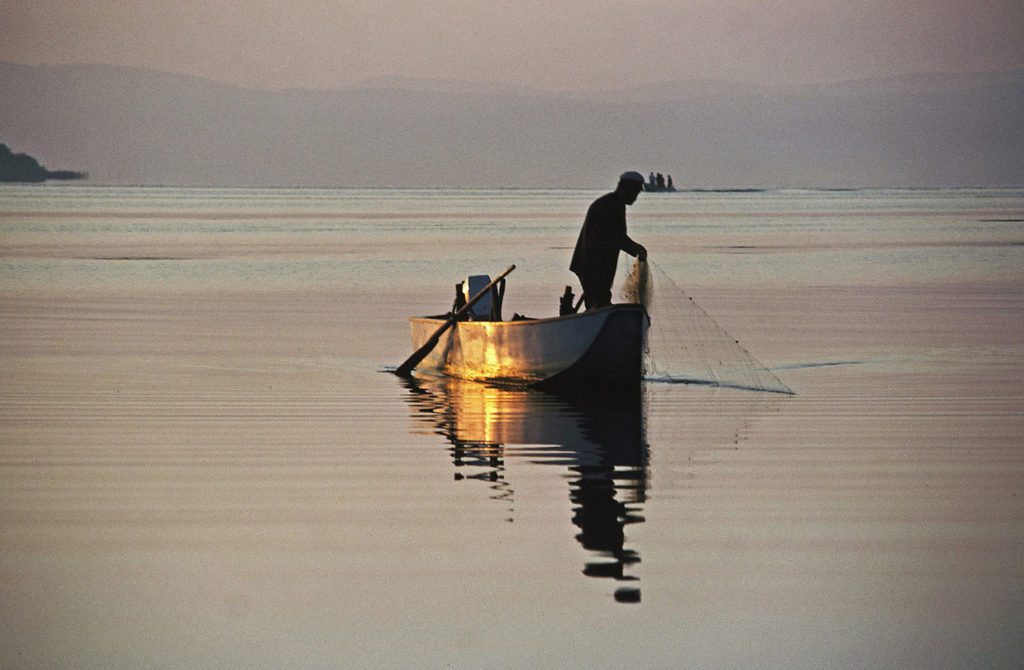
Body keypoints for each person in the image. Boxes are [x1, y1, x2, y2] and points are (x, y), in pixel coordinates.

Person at [570, 171, 648, 310]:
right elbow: (601, 239)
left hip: (598, 268)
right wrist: (634, 248)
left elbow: (617, 236)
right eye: (634, 193)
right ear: (624, 188)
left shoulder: (615, 204)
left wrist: (634, 248)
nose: (635, 198)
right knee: (599, 303)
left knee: (598, 303)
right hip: (591, 267)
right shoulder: (608, 206)